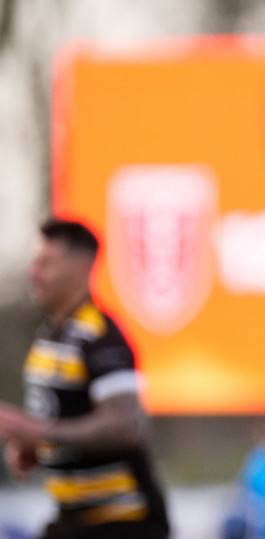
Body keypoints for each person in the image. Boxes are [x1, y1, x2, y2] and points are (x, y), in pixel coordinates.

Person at [0, 219, 169, 539]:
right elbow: (63, 421)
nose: (34, 272)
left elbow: (126, 427)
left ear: (80, 266)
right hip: (72, 518)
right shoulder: (50, 337)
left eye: (46, 263)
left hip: (123, 520)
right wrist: (34, 448)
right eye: (35, 262)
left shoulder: (101, 338)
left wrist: (38, 432)